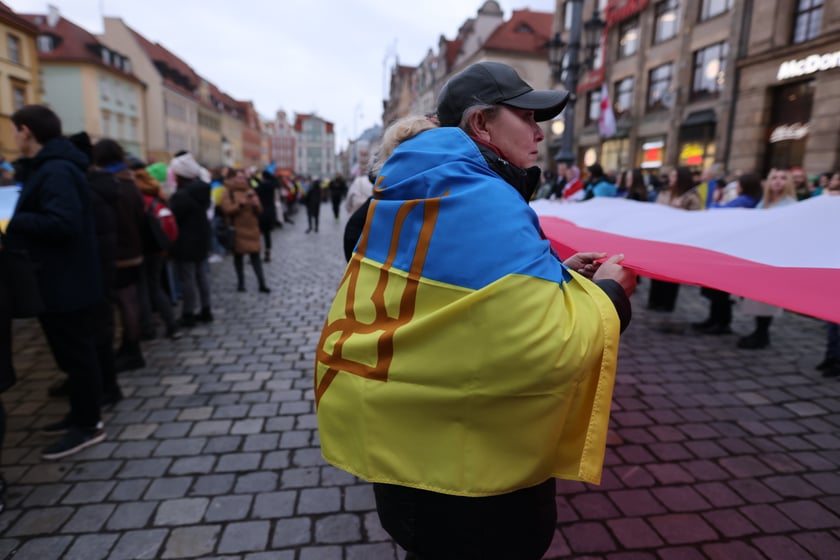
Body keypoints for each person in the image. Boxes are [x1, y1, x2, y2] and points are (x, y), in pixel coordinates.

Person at [315, 61, 636, 560]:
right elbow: (548, 349)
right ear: (481, 123)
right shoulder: (486, 198)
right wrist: (611, 294)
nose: (539, 132)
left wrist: (557, 274)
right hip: (475, 486)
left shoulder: (402, 188)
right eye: (525, 117)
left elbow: (463, 303)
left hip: (401, 457)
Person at [4, 105, 105, 459]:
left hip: (67, 279)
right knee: (70, 355)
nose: (13, 137)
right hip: (57, 277)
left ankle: (88, 424)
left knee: (78, 355)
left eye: (15, 130)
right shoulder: (50, 167)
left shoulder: (57, 170)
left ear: (26, 131)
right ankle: (79, 414)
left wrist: (8, 220)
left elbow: (62, 224)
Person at [91, 139, 147, 372]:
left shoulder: (111, 185)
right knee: (129, 301)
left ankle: (132, 350)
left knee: (125, 303)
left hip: (119, 251)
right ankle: (129, 346)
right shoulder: (130, 182)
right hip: (133, 248)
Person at [692, 172, 762, 335]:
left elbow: (719, 211)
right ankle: (715, 319)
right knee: (717, 289)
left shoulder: (745, 201)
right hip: (728, 248)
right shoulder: (749, 200)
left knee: (720, 290)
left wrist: (712, 203)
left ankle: (721, 322)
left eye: (739, 183)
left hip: (729, 249)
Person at [736, 168, 797, 349]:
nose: (778, 181)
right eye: (774, 178)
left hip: (775, 257)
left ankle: (762, 334)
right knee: (756, 296)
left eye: (783, 178)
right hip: (759, 255)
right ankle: (759, 331)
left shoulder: (791, 205)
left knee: (767, 299)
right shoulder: (764, 203)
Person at [168, 152, 213, 326]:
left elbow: (174, 217)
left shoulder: (182, 195)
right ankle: (206, 309)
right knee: (201, 276)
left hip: (186, 241)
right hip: (201, 238)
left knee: (188, 278)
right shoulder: (201, 190)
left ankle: (188, 313)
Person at [647, 166, 701, 312]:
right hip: (660, 238)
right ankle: (654, 300)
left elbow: (694, 221)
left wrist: (680, 209)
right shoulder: (664, 193)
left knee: (670, 273)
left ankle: (667, 303)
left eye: (674, 176)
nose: (671, 178)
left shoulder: (691, 197)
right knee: (656, 270)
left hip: (677, 242)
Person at [220, 168, 270, 293]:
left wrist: (256, 205)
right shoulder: (228, 192)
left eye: (243, 178)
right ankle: (241, 283)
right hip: (237, 230)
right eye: (239, 178)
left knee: (256, 257)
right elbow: (226, 209)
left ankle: (262, 283)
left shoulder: (251, 191)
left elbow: (260, 211)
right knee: (238, 257)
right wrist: (241, 204)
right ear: (234, 179)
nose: (242, 180)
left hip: (252, 229)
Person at [255, 169, 280, 262]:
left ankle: (256, 253)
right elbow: (276, 198)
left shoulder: (260, 186)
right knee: (267, 234)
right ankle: (267, 253)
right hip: (270, 211)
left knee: (257, 234)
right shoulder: (273, 185)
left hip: (261, 211)